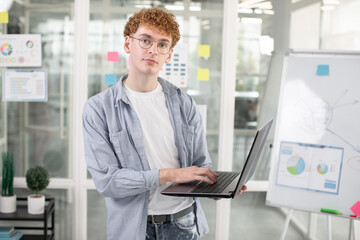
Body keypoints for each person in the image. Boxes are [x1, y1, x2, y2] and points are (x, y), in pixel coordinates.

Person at [82, 8, 246, 240]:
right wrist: (169, 175)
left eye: (162, 44)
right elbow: (108, 182)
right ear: (128, 44)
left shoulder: (184, 102)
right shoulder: (98, 109)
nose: (153, 50)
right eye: (145, 40)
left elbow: (200, 164)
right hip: (134, 229)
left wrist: (219, 189)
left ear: (169, 54)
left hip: (183, 223)